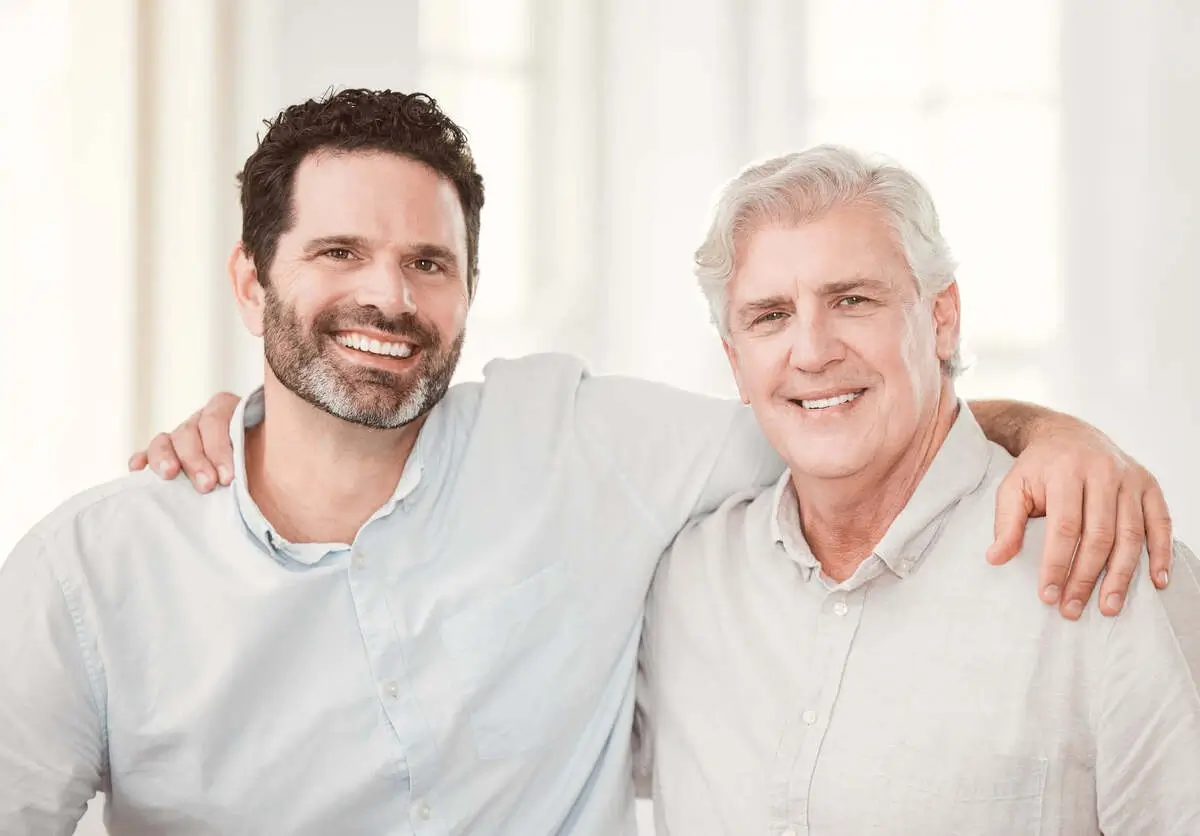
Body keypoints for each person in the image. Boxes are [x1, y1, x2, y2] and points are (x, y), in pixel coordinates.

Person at [0, 89, 1172, 834]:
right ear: (253, 282)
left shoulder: (584, 445)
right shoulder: (94, 572)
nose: (386, 296)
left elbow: (840, 424)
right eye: (339, 252)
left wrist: (1050, 433)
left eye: (428, 261)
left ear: (466, 292)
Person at [636, 145, 1200, 835]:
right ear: (735, 359)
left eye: (852, 300)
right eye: (770, 316)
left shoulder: (1109, 566)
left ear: (942, 319)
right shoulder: (685, 583)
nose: (811, 351)